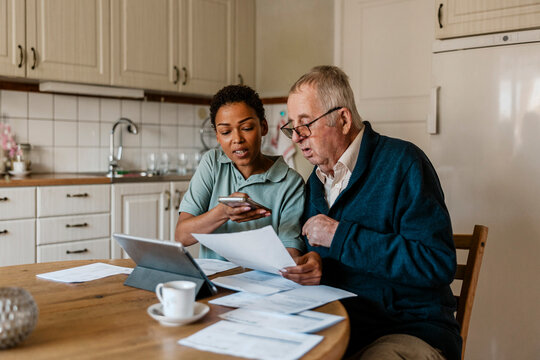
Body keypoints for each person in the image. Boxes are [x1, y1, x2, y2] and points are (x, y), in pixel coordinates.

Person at [280, 66, 461, 360]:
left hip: (407, 331)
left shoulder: (403, 163)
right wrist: (314, 263)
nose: (297, 138)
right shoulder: (316, 181)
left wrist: (341, 236)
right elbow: (332, 257)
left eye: (305, 124)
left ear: (343, 119)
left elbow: (437, 263)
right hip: (339, 327)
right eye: (292, 128)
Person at [175, 85, 305, 259]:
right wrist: (223, 212)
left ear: (263, 127)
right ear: (218, 136)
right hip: (216, 281)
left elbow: (291, 250)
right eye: (226, 131)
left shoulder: (290, 182)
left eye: (247, 128)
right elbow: (181, 236)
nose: (237, 139)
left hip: (262, 282)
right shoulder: (212, 163)